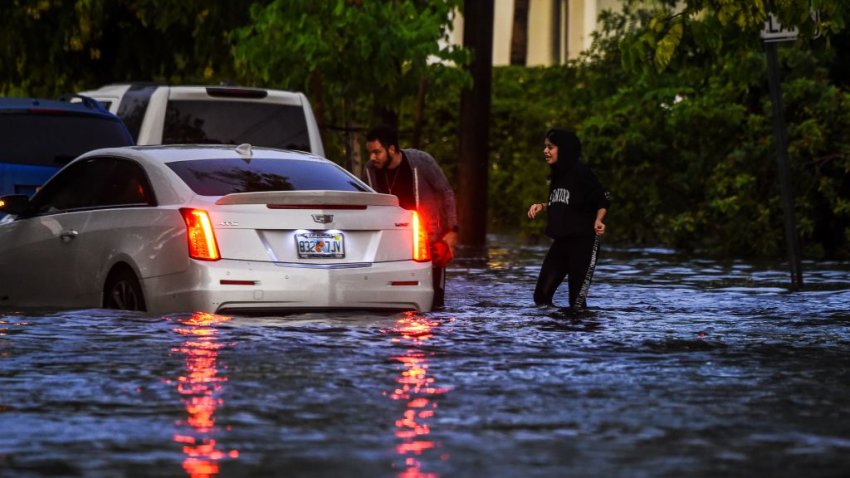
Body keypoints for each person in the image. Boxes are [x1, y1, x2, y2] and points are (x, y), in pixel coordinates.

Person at [364, 124, 459, 308]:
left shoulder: (420, 161)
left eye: (377, 152)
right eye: (370, 153)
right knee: (393, 300)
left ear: (392, 149)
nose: (372, 157)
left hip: (429, 239)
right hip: (391, 241)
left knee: (435, 303)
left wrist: (452, 230)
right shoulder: (370, 170)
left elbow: (446, 192)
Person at [527, 128, 610, 309]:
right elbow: (566, 203)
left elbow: (604, 197)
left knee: (577, 302)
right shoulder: (557, 175)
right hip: (562, 242)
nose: (545, 151)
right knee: (541, 296)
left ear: (563, 148)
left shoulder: (580, 171)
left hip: (584, 243)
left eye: (550, 147)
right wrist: (542, 206)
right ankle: (554, 332)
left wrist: (599, 220)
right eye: (545, 147)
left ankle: (584, 334)